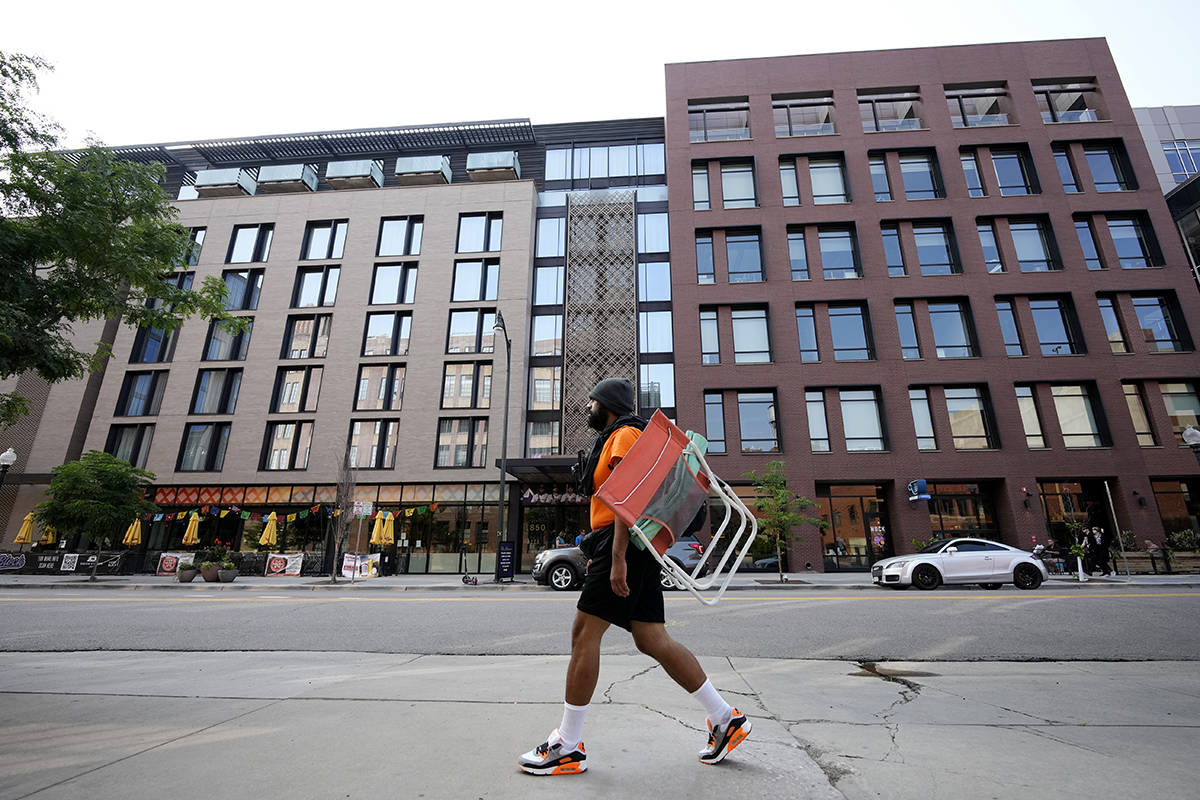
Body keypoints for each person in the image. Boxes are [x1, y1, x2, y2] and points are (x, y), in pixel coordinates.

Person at [518, 378, 750, 775]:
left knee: (583, 635)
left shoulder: (624, 434)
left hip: (623, 545)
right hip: (628, 546)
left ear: (607, 404)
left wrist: (618, 556)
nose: (587, 409)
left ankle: (568, 745)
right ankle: (725, 717)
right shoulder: (620, 435)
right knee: (651, 638)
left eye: (591, 403)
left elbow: (630, 495)